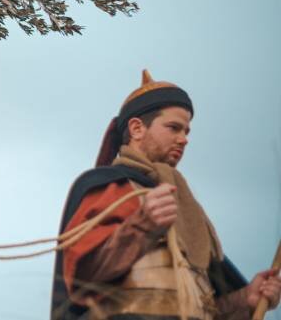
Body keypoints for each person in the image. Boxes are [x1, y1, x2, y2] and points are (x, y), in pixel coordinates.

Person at [51, 70, 281, 319]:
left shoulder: (188, 210)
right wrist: (142, 226)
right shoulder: (114, 187)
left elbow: (202, 310)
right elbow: (82, 279)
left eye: (187, 131)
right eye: (174, 128)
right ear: (137, 128)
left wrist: (244, 299)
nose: (183, 140)